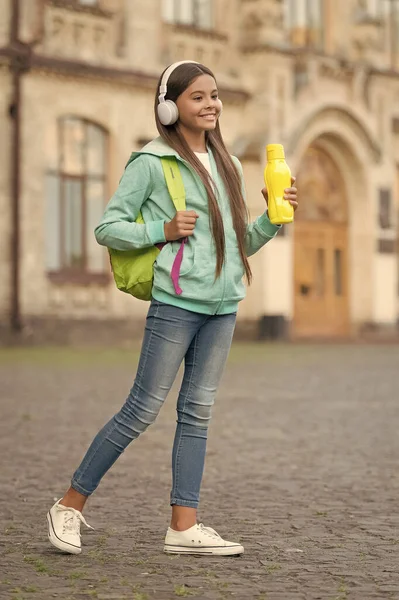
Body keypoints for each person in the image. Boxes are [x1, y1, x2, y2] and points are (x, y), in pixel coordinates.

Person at [46, 60, 298, 557]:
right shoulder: (152, 161)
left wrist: (271, 217)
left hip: (223, 305)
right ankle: (68, 505)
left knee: (198, 413)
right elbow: (108, 228)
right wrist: (159, 231)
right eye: (198, 97)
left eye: (215, 95)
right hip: (176, 304)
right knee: (141, 410)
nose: (211, 104)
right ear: (170, 106)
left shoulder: (226, 162)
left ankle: (184, 526)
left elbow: (237, 242)